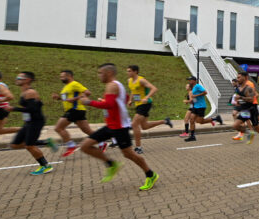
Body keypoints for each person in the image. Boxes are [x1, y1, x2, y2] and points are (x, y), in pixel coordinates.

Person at [79, 63, 159, 191]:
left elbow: (110, 105)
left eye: (100, 73)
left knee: (129, 154)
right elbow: (124, 98)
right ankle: (111, 164)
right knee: (85, 146)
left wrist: (89, 102)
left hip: (120, 126)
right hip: (111, 125)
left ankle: (151, 175)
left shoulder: (112, 85)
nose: (99, 75)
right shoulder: (118, 85)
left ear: (109, 73)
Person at [6, 72, 57, 175]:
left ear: (28, 80)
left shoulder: (30, 92)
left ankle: (46, 166)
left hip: (36, 122)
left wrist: (13, 108)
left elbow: (32, 109)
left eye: (20, 77)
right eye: (17, 77)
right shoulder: (24, 92)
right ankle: (45, 142)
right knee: (14, 144)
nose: (17, 79)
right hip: (29, 122)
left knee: (29, 145)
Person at [52, 70, 101, 157]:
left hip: (75, 110)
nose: (61, 78)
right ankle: (102, 142)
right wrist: (58, 98)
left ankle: (71, 146)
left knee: (58, 128)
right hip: (76, 110)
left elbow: (88, 93)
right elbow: (67, 99)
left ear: (69, 76)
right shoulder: (66, 87)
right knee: (86, 130)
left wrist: (75, 98)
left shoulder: (75, 84)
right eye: (60, 77)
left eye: (63, 76)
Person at [126, 65, 172, 154]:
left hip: (145, 104)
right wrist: (130, 100)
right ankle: (165, 121)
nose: (127, 73)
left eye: (129, 71)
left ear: (135, 72)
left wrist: (147, 97)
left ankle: (138, 147)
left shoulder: (141, 80)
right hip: (138, 104)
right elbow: (133, 90)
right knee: (144, 126)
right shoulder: (129, 81)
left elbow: (154, 88)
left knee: (134, 124)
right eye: (127, 71)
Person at [232, 72, 259, 152]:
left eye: (239, 77)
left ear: (245, 78)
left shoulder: (248, 88)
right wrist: (237, 101)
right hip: (244, 110)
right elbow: (240, 100)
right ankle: (249, 132)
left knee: (258, 129)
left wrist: (241, 98)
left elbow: (252, 99)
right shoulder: (238, 89)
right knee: (235, 126)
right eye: (237, 77)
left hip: (252, 110)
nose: (237, 79)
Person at [183, 76, 224, 142]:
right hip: (196, 106)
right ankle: (192, 136)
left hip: (201, 106)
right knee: (191, 120)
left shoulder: (198, 86)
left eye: (190, 80)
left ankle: (215, 118)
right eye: (189, 80)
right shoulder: (193, 88)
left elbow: (205, 92)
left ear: (194, 80)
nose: (189, 81)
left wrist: (195, 96)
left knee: (200, 121)